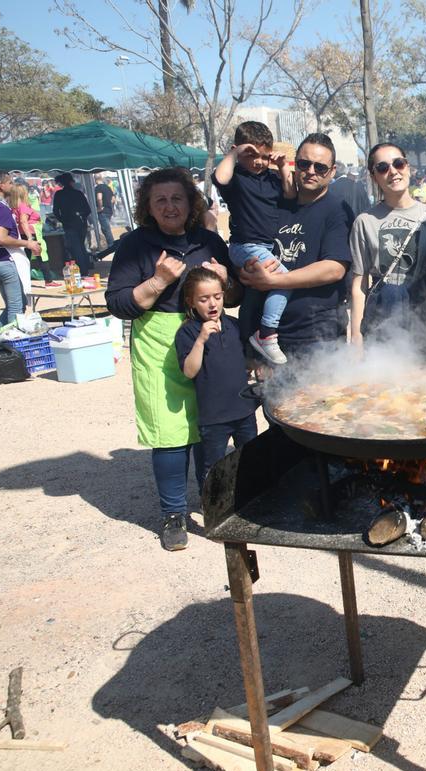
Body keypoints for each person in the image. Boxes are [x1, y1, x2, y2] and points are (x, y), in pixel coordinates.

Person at [104, 167, 237, 551]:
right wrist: (158, 280)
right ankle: (174, 514)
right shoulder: (135, 245)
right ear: (147, 205)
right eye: (160, 199)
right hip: (158, 343)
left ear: (191, 202)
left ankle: (213, 505)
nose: (169, 206)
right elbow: (117, 303)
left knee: (209, 426)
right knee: (170, 434)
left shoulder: (209, 241)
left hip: (210, 337)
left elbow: (236, 297)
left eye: (177, 198)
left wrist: (227, 280)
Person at [239, 133, 353, 358]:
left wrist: (274, 281)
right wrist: (243, 270)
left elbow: (334, 268)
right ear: (295, 165)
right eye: (304, 163)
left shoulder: (337, 209)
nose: (311, 171)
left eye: (320, 167)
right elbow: (247, 244)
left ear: (331, 173)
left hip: (317, 338)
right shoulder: (273, 201)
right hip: (265, 336)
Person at [213, 120, 295, 365]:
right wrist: (235, 153)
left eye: (264, 155)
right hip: (245, 246)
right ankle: (267, 334)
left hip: (269, 247)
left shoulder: (272, 178)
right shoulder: (236, 178)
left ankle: (256, 338)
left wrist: (282, 168)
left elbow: (290, 195)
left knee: (261, 292)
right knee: (285, 280)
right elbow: (220, 177)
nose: (258, 161)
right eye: (252, 155)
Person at [349, 142, 426, 341]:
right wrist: (356, 335)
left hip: (424, 324)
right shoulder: (365, 221)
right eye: (382, 168)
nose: (393, 172)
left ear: (408, 167)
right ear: (374, 176)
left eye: (398, 163)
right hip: (382, 324)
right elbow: (360, 283)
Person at [175, 266, 259, 487]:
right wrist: (201, 340)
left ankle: (246, 504)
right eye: (203, 299)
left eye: (217, 297)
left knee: (251, 461)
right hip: (214, 418)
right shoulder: (188, 332)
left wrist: (257, 365)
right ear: (191, 302)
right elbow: (189, 371)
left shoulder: (233, 325)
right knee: (213, 468)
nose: (212, 304)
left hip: (244, 411)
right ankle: (212, 512)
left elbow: (245, 362)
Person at [0, 170, 41, 331]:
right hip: (4, 259)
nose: (12, 185)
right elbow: (1, 238)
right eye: (9, 182)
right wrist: (28, 243)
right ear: (0, 185)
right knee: (17, 307)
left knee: (15, 304)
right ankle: (11, 346)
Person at [52, 172, 92, 270]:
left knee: (76, 247)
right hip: (81, 223)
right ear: (71, 182)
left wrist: (63, 220)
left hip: (69, 224)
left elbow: (56, 211)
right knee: (81, 246)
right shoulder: (78, 193)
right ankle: (86, 266)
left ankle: (82, 269)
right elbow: (88, 210)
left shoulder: (59, 194)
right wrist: (82, 217)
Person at [94, 174, 116, 248]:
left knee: (106, 229)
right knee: (106, 228)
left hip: (103, 211)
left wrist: (100, 207)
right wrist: (110, 206)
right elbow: (113, 199)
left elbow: (99, 198)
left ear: (95, 179)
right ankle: (112, 244)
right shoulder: (107, 187)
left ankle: (112, 245)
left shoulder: (98, 188)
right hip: (109, 210)